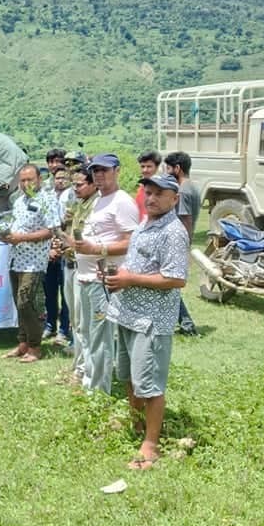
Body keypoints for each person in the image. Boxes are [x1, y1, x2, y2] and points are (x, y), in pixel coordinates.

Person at [105, 173, 189, 469]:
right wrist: (121, 275)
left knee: (150, 385)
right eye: (148, 193)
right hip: (128, 316)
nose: (151, 199)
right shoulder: (146, 223)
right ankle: (137, 425)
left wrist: (131, 278)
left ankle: (151, 446)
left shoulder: (174, 232)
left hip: (151, 321)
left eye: (158, 194)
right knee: (129, 377)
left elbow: (176, 278)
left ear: (174, 199)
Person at [71, 153, 140, 395]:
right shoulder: (100, 199)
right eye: (95, 171)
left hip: (103, 281)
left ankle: (98, 393)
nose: (99, 174)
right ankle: (90, 382)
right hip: (86, 277)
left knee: (100, 339)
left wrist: (97, 249)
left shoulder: (122, 202)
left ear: (117, 171)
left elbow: (131, 242)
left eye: (104, 170)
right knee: (89, 335)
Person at [0, 164, 61, 363]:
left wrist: (22, 237)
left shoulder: (46, 200)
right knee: (19, 305)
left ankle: (35, 347)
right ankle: (23, 344)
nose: (26, 184)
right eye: (23, 180)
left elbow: (50, 231)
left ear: (39, 180)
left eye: (30, 180)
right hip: (15, 259)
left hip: (33, 262)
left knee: (26, 303)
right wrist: (6, 234)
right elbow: (13, 224)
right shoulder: (19, 201)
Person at [62, 167, 98, 382]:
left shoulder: (96, 205)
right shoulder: (77, 205)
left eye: (79, 184)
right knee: (75, 321)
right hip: (69, 264)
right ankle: (77, 364)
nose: (75, 188)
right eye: (73, 184)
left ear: (93, 184)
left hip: (83, 268)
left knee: (84, 322)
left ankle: (84, 370)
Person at [165, 150, 201, 336]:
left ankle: (187, 324)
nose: (166, 172)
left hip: (178, 244)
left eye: (168, 168)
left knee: (169, 284)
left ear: (177, 168)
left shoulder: (183, 190)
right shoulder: (192, 187)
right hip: (181, 243)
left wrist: (182, 247)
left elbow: (185, 219)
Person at [43, 166, 73, 345]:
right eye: (57, 177)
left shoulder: (70, 197)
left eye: (64, 177)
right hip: (48, 251)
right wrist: (50, 248)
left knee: (66, 293)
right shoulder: (47, 197)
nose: (60, 180)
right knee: (49, 292)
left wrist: (59, 245)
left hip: (65, 250)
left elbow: (65, 225)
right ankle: (50, 325)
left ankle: (64, 329)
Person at [135, 150, 162, 220]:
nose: (145, 170)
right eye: (142, 166)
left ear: (157, 167)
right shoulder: (141, 186)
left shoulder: (162, 189)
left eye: (149, 166)